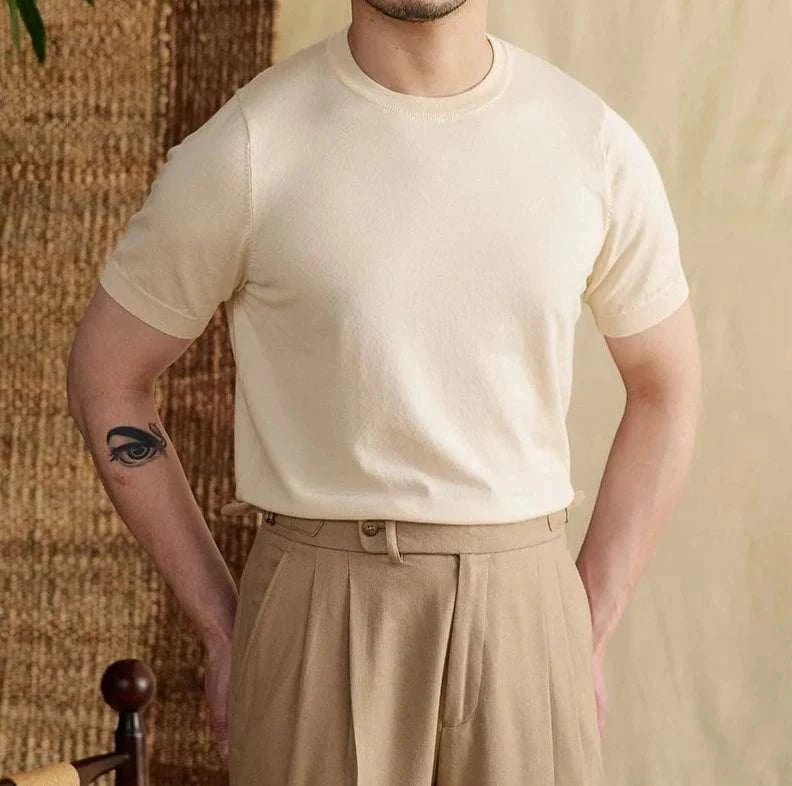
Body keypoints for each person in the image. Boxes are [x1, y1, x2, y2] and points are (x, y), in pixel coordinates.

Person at [66, 0, 703, 783]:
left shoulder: (591, 144)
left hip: (527, 612)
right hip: (315, 612)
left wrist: (588, 624)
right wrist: (223, 628)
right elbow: (108, 375)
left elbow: (666, 386)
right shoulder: (250, 145)